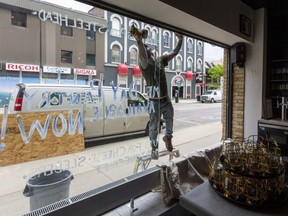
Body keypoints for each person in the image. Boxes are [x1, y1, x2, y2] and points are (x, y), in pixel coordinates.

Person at [130, 25, 183, 159]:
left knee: (170, 119)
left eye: (150, 50)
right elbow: (141, 53)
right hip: (154, 102)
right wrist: (139, 41)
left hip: (165, 99)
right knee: (154, 126)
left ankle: (168, 137)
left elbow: (173, 53)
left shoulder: (160, 61)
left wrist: (180, 41)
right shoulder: (145, 65)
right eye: (149, 50)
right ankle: (154, 147)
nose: (151, 51)